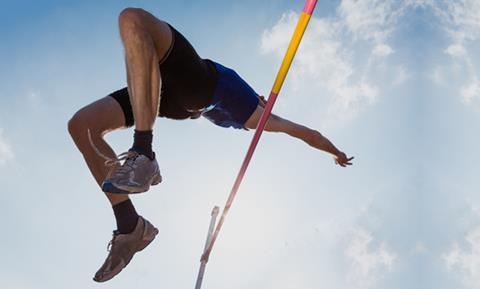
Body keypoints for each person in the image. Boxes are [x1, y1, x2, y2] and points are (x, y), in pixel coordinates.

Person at [68, 7, 353, 283]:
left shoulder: (257, 116)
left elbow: (306, 133)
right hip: (166, 93)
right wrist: (335, 153)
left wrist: (335, 152)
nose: (264, 100)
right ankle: (129, 223)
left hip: (198, 87)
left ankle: (143, 150)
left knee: (133, 18)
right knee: (83, 126)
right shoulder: (250, 112)